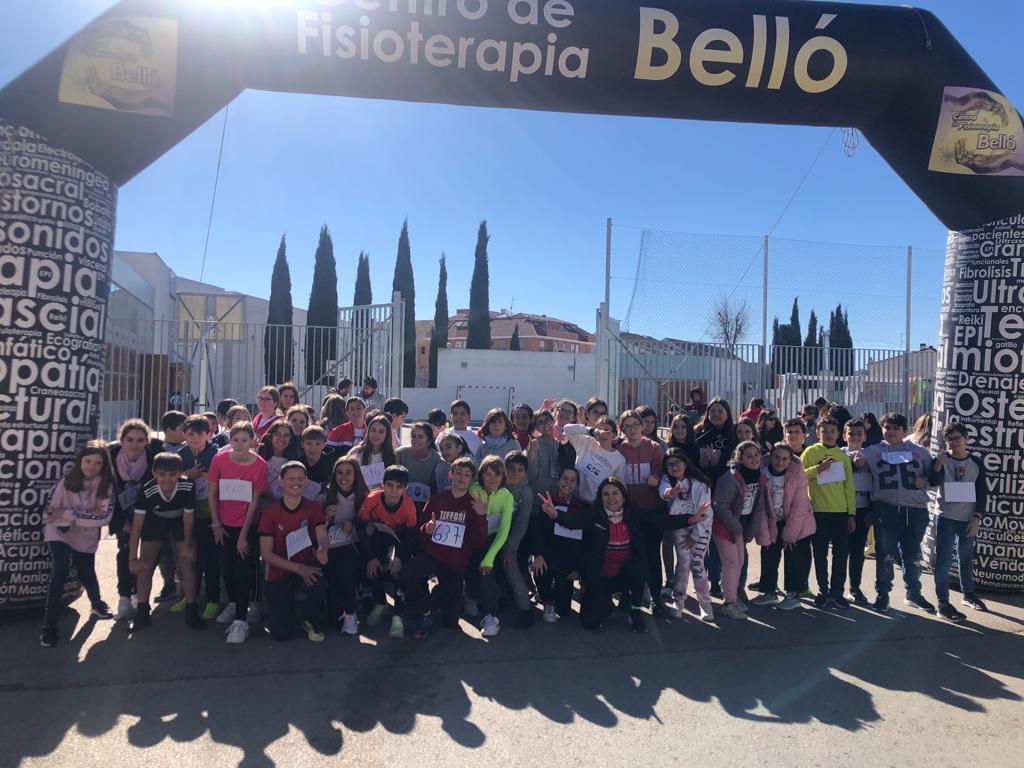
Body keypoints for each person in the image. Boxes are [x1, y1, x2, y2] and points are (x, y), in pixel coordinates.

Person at [40, 441, 116, 647]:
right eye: (88, 461)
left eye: (97, 463)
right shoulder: (66, 482)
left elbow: (104, 517)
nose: (91, 466)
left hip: (85, 536)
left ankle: (97, 603)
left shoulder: (105, 486)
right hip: (58, 532)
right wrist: (75, 517)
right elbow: (50, 510)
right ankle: (49, 626)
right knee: (61, 570)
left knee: (86, 571)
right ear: (80, 461)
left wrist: (70, 516)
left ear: (103, 466)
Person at [402, 458, 489, 637]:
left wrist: (481, 517)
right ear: (451, 475)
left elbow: (478, 542)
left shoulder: (474, 505)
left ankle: (438, 597)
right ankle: (426, 607)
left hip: (455, 563)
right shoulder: (437, 499)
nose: (462, 478)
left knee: (450, 622)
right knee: (407, 572)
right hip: (433, 556)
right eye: (458, 473)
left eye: (467, 475)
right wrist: (427, 529)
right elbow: (422, 527)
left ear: (472, 480)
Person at [862, 412, 934, 615]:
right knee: (885, 554)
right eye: (887, 427)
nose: (891, 431)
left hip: (916, 509)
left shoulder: (920, 452)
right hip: (887, 508)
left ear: (904, 430)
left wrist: (926, 482)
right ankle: (882, 595)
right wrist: (857, 459)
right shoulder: (873, 451)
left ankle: (913, 593)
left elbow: (935, 477)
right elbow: (849, 453)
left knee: (912, 554)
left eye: (896, 428)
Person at [127, 452, 205, 632]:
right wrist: (132, 559)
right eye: (162, 474)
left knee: (187, 562)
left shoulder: (187, 485)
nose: (167, 479)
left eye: (172, 474)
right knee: (144, 564)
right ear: (154, 473)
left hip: (180, 520)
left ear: (180, 473)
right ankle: (142, 612)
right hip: (155, 520)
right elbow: (137, 526)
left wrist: (186, 547)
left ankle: (191, 610)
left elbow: (188, 519)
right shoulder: (147, 489)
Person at [208, 422, 268, 644]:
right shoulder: (220, 460)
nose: (240, 444)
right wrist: (216, 524)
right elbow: (212, 493)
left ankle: (241, 621)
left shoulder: (260, 465)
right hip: (223, 525)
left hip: (248, 526)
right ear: (230, 441)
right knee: (227, 568)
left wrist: (243, 536)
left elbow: (254, 502)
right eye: (236, 440)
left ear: (253, 441)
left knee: (243, 570)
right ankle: (233, 604)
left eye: (245, 440)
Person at [258, 461, 330, 642]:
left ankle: (308, 617)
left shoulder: (313, 507)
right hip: (278, 571)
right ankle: (285, 612)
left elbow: (322, 534)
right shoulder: (270, 513)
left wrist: (323, 548)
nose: (295, 482)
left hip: (307, 565)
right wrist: (298, 568)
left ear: (306, 481)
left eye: (300, 478)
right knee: (281, 634)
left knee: (318, 580)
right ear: (280, 481)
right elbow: (266, 555)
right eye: (290, 478)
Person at [928, 422, 988, 621]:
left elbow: (981, 492)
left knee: (966, 557)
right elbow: (933, 482)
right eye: (950, 439)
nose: (954, 443)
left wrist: (977, 517)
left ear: (966, 439)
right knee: (944, 561)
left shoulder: (976, 463)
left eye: (957, 439)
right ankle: (943, 602)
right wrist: (938, 465)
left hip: (967, 519)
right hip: (945, 516)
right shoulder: (942, 460)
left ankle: (968, 594)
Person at [751, 443, 815, 611]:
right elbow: (761, 507)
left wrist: (789, 535)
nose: (780, 462)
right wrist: (765, 534)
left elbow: (799, 507)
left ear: (790, 460)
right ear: (771, 457)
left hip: (797, 522)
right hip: (772, 520)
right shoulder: (762, 473)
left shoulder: (797, 475)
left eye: (785, 458)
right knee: (769, 553)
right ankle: (768, 591)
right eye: (777, 457)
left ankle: (793, 594)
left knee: (794, 556)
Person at [801, 417, 857, 609]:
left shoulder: (842, 456)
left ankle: (837, 592)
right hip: (818, 512)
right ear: (818, 433)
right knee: (820, 554)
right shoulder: (810, 452)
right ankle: (822, 590)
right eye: (824, 431)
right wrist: (818, 468)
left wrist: (851, 513)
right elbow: (799, 477)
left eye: (832, 431)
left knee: (841, 554)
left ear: (839, 434)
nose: (829, 434)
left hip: (840, 512)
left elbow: (849, 486)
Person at [358, 464, 418, 638]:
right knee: (372, 564)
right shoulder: (372, 499)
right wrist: (371, 557)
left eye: (399, 487)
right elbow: (362, 528)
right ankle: (380, 601)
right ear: (382, 485)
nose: (393, 491)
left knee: (399, 570)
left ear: (405, 488)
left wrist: (399, 558)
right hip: (378, 535)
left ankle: (398, 614)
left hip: (400, 538)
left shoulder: (408, 506)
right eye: (390, 485)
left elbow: (410, 537)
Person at [712, 441, 770, 620]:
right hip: (726, 527)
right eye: (748, 456)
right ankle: (729, 602)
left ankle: (733, 597)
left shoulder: (759, 477)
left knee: (739, 562)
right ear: (739, 458)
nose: (753, 459)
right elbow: (720, 506)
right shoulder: (729, 478)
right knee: (731, 564)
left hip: (742, 527)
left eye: (756, 455)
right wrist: (736, 528)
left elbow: (759, 506)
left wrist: (751, 530)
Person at [616, 409, 666, 612]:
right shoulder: (619, 450)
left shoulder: (654, 448)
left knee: (653, 555)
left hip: (653, 510)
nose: (632, 429)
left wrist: (656, 480)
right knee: (629, 555)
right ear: (622, 429)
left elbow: (663, 475)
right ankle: (627, 596)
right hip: (629, 513)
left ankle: (656, 597)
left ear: (642, 426)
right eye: (626, 426)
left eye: (635, 425)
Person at [108, 418, 158, 620]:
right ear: (122, 440)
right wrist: (122, 522)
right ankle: (124, 596)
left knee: (148, 556)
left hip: (147, 512)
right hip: (121, 512)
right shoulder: (110, 457)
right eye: (129, 439)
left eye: (140, 440)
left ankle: (140, 594)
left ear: (147, 440)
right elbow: (106, 492)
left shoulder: (153, 457)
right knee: (125, 553)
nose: (134, 444)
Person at [659, 448, 715, 621]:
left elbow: (705, 512)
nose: (674, 467)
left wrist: (696, 536)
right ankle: (679, 601)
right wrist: (667, 494)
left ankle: (705, 604)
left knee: (697, 564)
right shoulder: (669, 482)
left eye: (677, 462)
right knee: (683, 565)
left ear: (685, 462)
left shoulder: (700, 484)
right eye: (670, 465)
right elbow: (663, 489)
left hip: (700, 529)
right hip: (680, 528)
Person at [465, 456, 515, 637]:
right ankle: (469, 594)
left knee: (486, 571)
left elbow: (504, 531)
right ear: (481, 476)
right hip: (470, 540)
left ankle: (491, 615)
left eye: (497, 474)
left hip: (492, 542)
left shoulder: (507, 496)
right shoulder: (473, 490)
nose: (492, 479)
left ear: (503, 476)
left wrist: (489, 558)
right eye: (488, 474)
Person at [177, 414, 221, 621]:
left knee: (209, 558)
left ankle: (212, 600)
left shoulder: (216, 454)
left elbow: (222, 479)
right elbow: (168, 478)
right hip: (185, 513)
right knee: (188, 558)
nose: (195, 438)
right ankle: (188, 596)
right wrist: (186, 474)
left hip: (209, 513)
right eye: (191, 434)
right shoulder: (179, 454)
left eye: (200, 434)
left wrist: (199, 475)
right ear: (184, 434)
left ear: (208, 434)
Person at [531, 467, 589, 623]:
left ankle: (554, 592)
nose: (567, 483)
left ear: (577, 485)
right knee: (539, 568)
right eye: (564, 478)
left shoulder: (582, 508)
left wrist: (579, 569)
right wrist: (538, 554)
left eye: (572, 480)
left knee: (564, 611)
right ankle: (546, 600)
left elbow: (585, 542)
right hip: (548, 557)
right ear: (558, 481)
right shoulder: (548, 503)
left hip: (568, 563)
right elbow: (538, 532)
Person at [323, 456, 370, 635]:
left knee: (346, 571)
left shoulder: (364, 497)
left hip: (355, 546)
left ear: (356, 475)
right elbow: (316, 525)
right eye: (340, 472)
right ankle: (336, 611)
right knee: (333, 579)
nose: (344, 477)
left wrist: (354, 523)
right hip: (331, 546)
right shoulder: (326, 495)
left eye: (349, 472)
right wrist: (325, 516)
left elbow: (371, 524)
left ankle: (350, 614)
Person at [500, 451, 535, 627]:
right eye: (511, 469)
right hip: (489, 537)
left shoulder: (525, 493)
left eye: (520, 470)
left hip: (510, 539)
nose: (515, 473)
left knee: (510, 565)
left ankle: (525, 609)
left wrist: (510, 549)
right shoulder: (495, 485)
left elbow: (521, 525)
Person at [562, 416, 627, 506]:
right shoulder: (587, 442)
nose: (603, 433)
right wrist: (591, 430)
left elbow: (619, 486)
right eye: (599, 430)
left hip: (597, 505)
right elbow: (567, 429)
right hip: (574, 500)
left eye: (607, 430)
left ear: (615, 434)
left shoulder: (619, 460)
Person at [843, 419, 874, 606]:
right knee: (840, 552)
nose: (855, 437)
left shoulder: (872, 455)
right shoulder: (838, 454)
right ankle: (835, 588)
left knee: (857, 551)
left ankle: (855, 588)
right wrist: (849, 464)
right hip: (841, 510)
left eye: (859, 433)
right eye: (851, 433)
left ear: (865, 436)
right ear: (844, 435)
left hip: (863, 509)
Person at [397, 422, 441, 513]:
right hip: (401, 500)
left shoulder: (436, 459)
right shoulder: (400, 453)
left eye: (420, 437)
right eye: (413, 436)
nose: (416, 440)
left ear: (428, 441)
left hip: (425, 504)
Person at [348, 414, 397, 491]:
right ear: (368, 431)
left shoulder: (393, 457)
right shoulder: (356, 453)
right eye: (373, 430)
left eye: (381, 431)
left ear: (387, 434)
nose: (376, 434)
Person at [526, 408, 560, 500]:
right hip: (537, 498)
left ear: (553, 421)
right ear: (536, 427)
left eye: (547, 420)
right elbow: (530, 476)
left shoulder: (560, 445)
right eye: (540, 422)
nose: (545, 424)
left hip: (556, 497)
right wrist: (531, 455)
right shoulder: (533, 444)